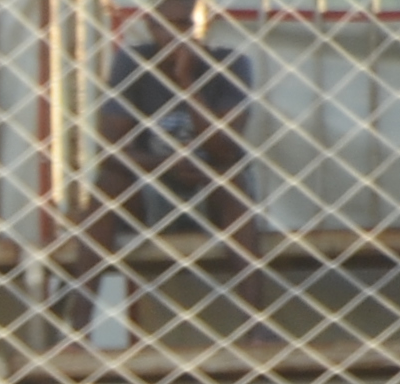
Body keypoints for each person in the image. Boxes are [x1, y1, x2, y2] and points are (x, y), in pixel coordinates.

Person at [66, 0, 270, 341]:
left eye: (186, 25)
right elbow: (111, 150)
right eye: (166, 25)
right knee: (108, 185)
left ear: (204, 25)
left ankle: (255, 325)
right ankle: (79, 327)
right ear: (150, 26)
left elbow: (224, 148)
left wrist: (185, 80)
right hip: (152, 186)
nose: (176, 35)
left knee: (231, 180)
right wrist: (165, 165)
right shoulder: (132, 63)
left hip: (211, 186)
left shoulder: (231, 64)